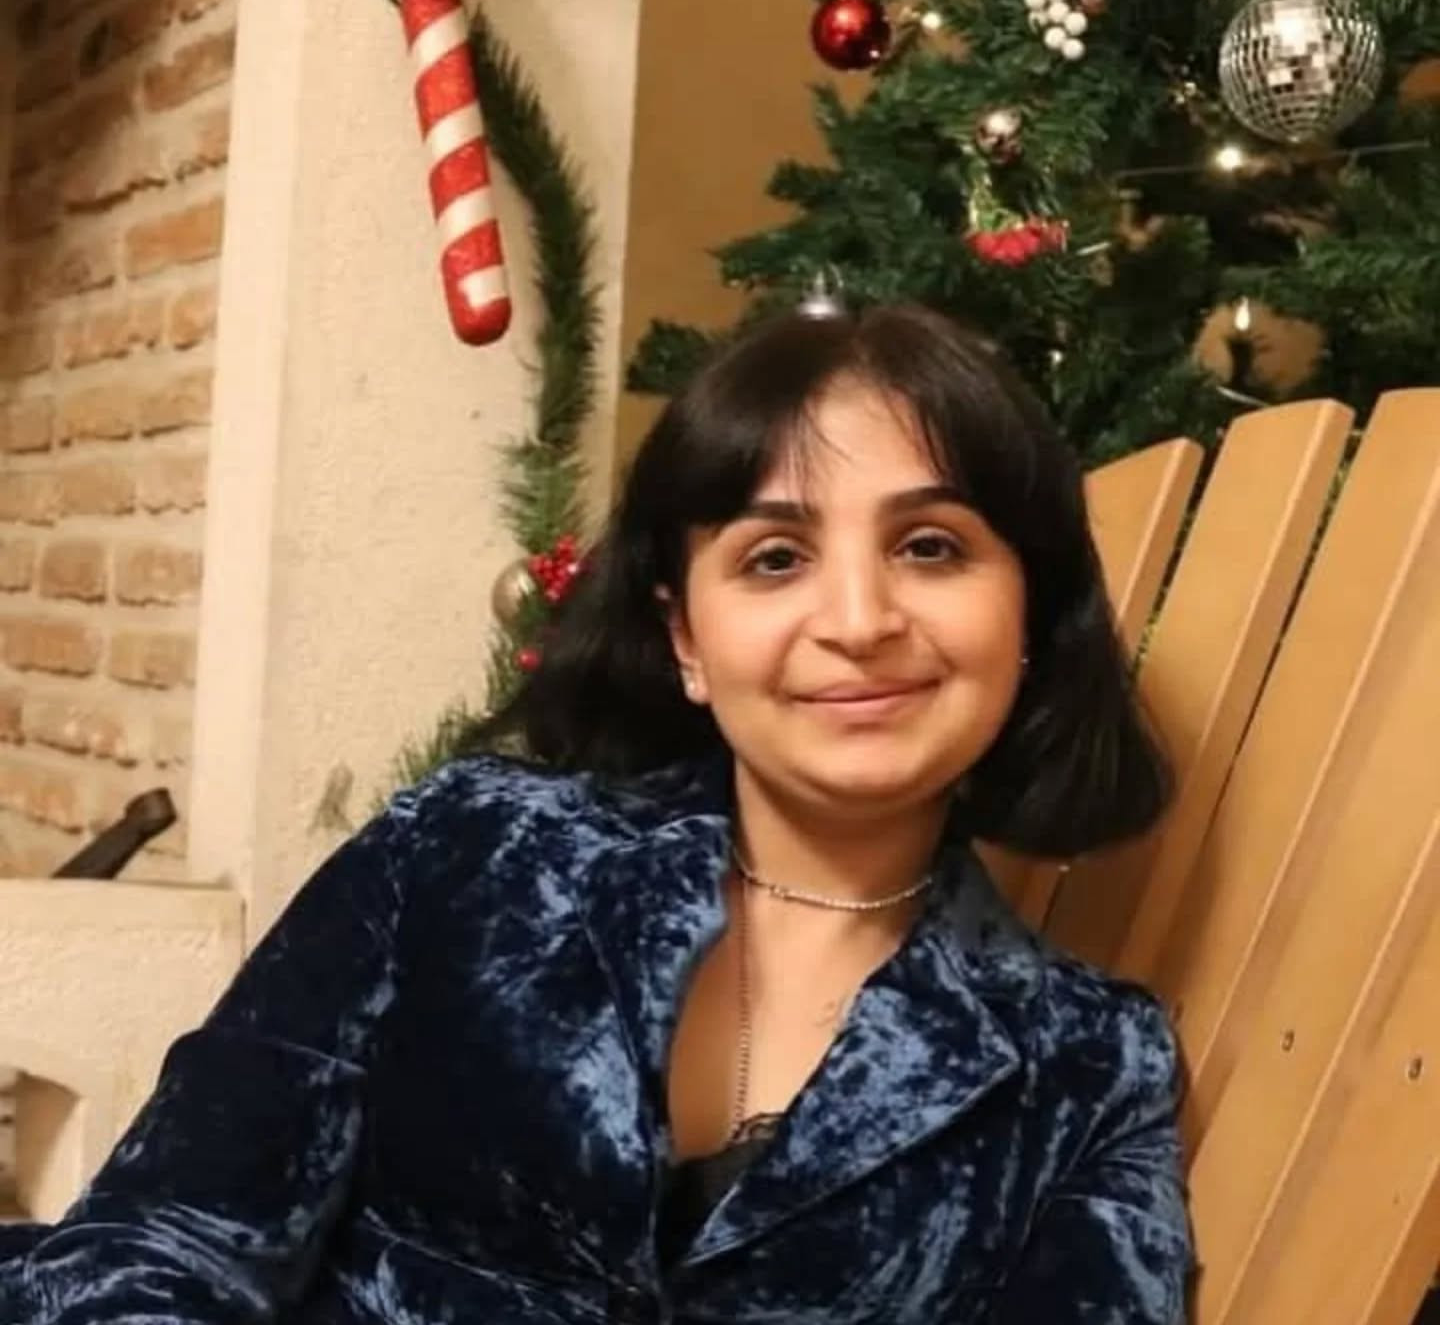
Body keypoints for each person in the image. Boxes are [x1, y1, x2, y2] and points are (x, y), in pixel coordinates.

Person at [0, 303, 1195, 1323]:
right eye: (775, 558)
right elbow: (165, 1239)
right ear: (688, 639)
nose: (858, 620)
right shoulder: (471, 848)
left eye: (930, 547)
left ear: (1028, 617)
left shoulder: (1089, 1065)